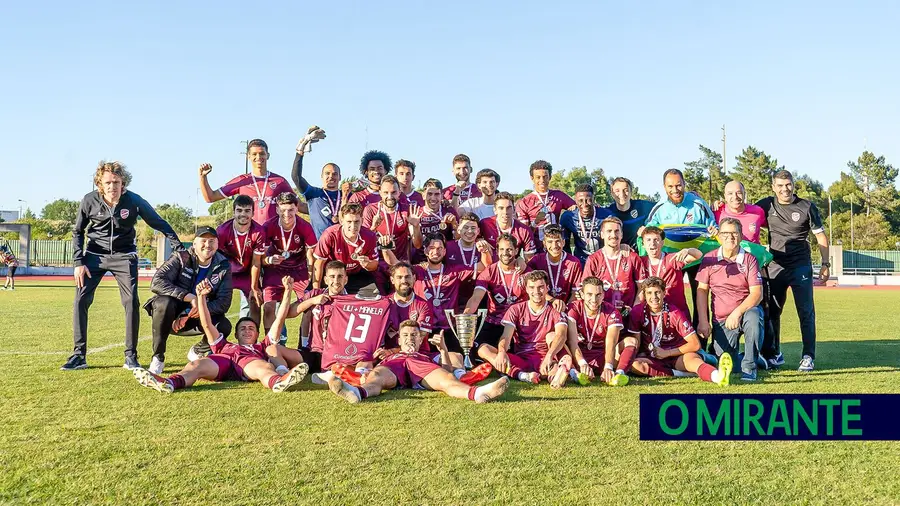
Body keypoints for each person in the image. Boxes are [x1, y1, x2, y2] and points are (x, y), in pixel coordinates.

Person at [63, 160, 184, 371]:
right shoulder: (89, 201)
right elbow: (77, 231)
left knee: (131, 302)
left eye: (116, 182)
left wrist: (178, 246)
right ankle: (78, 355)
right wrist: (78, 262)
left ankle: (131, 356)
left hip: (124, 256)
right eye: (108, 182)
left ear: (123, 183)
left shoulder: (134, 201)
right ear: (100, 184)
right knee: (80, 300)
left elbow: (158, 222)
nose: (112, 187)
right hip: (94, 256)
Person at [132, 277, 309, 394]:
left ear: (257, 335)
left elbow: (279, 319)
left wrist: (287, 291)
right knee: (196, 364)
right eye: (243, 328)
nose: (247, 330)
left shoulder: (262, 347)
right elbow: (207, 324)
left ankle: (278, 381)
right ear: (236, 334)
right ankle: (169, 383)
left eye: (250, 328)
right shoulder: (223, 345)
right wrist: (200, 297)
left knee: (263, 367)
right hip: (222, 361)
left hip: (248, 364)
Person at [327, 320, 509, 404]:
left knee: (446, 379)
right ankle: (357, 394)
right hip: (394, 365)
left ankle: (478, 394)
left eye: (414, 335)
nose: (409, 339)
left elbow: (448, 370)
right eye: (405, 335)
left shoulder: (425, 355)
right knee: (375, 378)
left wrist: (443, 349)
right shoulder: (390, 355)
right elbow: (366, 365)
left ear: (420, 338)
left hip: (420, 365)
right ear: (398, 340)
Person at [755, 170, 829, 372]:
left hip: (800, 266)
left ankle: (808, 356)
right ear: (773, 187)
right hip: (775, 266)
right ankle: (773, 354)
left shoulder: (806, 207)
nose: (784, 189)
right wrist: (720, 207)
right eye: (780, 185)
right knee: (772, 312)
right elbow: (743, 214)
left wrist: (825, 264)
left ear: (793, 185)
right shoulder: (766, 205)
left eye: (787, 184)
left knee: (805, 312)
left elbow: (821, 237)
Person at [143, 226, 233, 373]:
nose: (207, 245)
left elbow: (224, 303)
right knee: (164, 303)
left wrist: (192, 311)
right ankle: (158, 358)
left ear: (217, 244)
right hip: (171, 315)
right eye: (203, 241)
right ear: (194, 244)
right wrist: (189, 297)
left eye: (212, 241)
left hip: (195, 316)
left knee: (224, 326)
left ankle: (199, 350)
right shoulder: (180, 257)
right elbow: (157, 282)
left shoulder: (222, 265)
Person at [643, 169, 717, 325]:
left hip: (697, 259)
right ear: (664, 187)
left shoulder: (698, 204)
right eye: (670, 186)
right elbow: (648, 232)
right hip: (672, 260)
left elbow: (713, 227)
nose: (675, 190)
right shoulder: (660, 208)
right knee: (670, 295)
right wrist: (642, 231)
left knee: (701, 297)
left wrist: (713, 229)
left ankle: (701, 340)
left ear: (684, 184)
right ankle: (672, 334)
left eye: (678, 185)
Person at [626, 277, 732, 385]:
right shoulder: (637, 311)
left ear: (664, 293)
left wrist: (667, 353)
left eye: (657, 292)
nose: (654, 297)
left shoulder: (674, 312)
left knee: (692, 360)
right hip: (653, 357)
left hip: (677, 356)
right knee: (635, 365)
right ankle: (683, 374)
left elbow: (695, 344)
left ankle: (718, 376)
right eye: (649, 293)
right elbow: (637, 342)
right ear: (644, 295)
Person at [695, 218, 764, 381]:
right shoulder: (709, 259)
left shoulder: (749, 260)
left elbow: (757, 294)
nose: (730, 237)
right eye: (725, 233)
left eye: (734, 233)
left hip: (745, 314)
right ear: (719, 235)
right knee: (727, 364)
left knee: (754, 315)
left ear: (741, 236)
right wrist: (703, 321)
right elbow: (702, 290)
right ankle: (752, 357)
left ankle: (750, 367)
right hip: (721, 320)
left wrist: (737, 313)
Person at [476, 271, 572, 387]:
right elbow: (506, 336)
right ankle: (523, 375)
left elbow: (562, 335)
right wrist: (501, 352)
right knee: (483, 349)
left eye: (540, 287)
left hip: (546, 356)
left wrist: (549, 357)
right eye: (532, 287)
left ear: (547, 288)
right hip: (522, 357)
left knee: (552, 337)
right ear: (526, 289)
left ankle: (555, 375)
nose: (536, 292)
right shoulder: (515, 309)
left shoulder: (555, 309)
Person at [199, 139, 294, 225]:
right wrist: (203, 177)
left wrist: (309, 202)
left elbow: (299, 205)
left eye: (262, 153)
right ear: (248, 156)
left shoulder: (279, 181)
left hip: (273, 237)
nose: (258, 157)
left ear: (267, 155)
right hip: (250, 236)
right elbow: (210, 197)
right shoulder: (242, 181)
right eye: (254, 154)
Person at [259, 192, 317, 333]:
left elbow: (311, 256)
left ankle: (305, 345)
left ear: (297, 209)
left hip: (299, 269)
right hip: (275, 268)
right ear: (277, 209)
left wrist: (311, 278)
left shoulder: (305, 226)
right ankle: (270, 344)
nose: (287, 214)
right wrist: (269, 260)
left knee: (310, 306)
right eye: (283, 210)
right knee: (268, 307)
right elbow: (262, 259)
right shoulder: (268, 226)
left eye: (291, 210)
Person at [463, 234, 529, 351]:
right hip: (494, 321)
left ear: (516, 251)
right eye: (502, 249)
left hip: (519, 323)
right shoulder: (489, 271)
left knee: (517, 351)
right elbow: (476, 297)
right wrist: (466, 314)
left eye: (509, 249)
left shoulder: (525, 271)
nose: (505, 253)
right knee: (478, 350)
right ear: (497, 251)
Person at [410, 235, 473, 352]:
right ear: (425, 250)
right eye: (432, 248)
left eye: (439, 248)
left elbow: (483, 268)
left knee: (457, 360)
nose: (436, 252)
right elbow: (396, 267)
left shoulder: (455, 271)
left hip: (450, 328)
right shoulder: (416, 271)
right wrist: (386, 248)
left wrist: (484, 251)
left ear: (444, 251)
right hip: (424, 328)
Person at [564, 276, 631, 386]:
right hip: (579, 355)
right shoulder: (573, 308)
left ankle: (618, 374)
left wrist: (608, 366)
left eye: (598, 295)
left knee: (631, 341)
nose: (594, 300)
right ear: (582, 294)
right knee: (556, 339)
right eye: (590, 294)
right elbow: (572, 341)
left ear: (603, 295)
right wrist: (582, 363)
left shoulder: (612, 312)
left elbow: (611, 343)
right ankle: (574, 373)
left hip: (602, 355)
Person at [291, 126, 354, 239]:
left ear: (340, 177)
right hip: (320, 249)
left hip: (344, 247)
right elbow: (296, 177)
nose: (331, 177)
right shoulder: (314, 193)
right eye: (327, 173)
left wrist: (346, 195)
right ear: (321, 176)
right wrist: (300, 152)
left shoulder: (349, 195)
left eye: (335, 174)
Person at [215, 195, 265, 325]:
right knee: (217, 301)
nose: (243, 214)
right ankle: (214, 339)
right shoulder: (222, 231)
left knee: (255, 300)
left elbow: (256, 262)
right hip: (226, 272)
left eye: (247, 211)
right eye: (239, 210)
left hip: (247, 273)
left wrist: (254, 287)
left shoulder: (258, 231)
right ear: (234, 212)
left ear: (253, 213)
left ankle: (252, 342)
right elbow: (216, 260)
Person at [312, 203, 381, 294]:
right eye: (349, 222)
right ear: (341, 221)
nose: (353, 226)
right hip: (333, 275)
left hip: (356, 274)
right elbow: (319, 263)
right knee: (318, 300)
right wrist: (316, 291)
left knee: (373, 300)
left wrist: (367, 264)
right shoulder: (330, 235)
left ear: (362, 220)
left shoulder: (369, 236)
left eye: (356, 221)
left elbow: (374, 265)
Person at [582, 217, 642, 317]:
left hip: (628, 314)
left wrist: (634, 310)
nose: (613, 235)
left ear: (622, 234)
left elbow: (642, 288)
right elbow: (586, 290)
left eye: (617, 231)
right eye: (609, 231)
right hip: (602, 315)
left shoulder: (632, 257)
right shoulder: (593, 260)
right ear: (602, 234)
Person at [638, 226, 701, 317]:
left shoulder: (672, 259)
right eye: (648, 240)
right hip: (652, 315)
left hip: (676, 313)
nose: (652, 243)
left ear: (662, 243)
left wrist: (688, 250)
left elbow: (698, 255)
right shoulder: (640, 262)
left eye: (656, 239)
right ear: (643, 244)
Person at [515, 160, 575, 248]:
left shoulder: (559, 195)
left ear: (550, 177)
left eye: (545, 176)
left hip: (555, 247)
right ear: (532, 178)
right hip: (536, 249)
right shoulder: (524, 202)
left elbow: (577, 207)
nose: (542, 180)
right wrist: (536, 222)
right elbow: (524, 233)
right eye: (538, 177)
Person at [526, 225, 582, 301]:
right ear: (544, 244)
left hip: (565, 307)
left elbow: (575, 292)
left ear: (563, 242)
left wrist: (566, 309)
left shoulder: (574, 263)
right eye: (550, 242)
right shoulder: (536, 260)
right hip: (543, 307)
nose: (554, 246)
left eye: (557, 241)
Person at [363, 175, 412, 262]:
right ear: (380, 192)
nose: (389, 197)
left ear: (399, 193)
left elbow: (417, 244)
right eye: (386, 192)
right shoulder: (370, 210)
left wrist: (415, 227)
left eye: (393, 192)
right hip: (378, 262)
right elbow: (364, 243)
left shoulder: (406, 209)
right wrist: (373, 227)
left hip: (400, 262)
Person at [559, 183, 610, 263]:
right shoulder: (568, 217)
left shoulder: (606, 215)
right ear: (575, 200)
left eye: (588, 200)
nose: (584, 204)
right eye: (580, 200)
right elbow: (565, 245)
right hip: (581, 262)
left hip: (602, 261)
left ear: (594, 199)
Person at [479, 191, 537, 261]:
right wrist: (479, 240)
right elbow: (470, 239)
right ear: (495, 210)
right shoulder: (484, 224)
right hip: (489, 267)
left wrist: (521, 261)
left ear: (513, 209)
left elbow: (529, 259)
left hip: (513, 268)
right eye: (501, 208)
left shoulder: (524, 230)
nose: (505, 212)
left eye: (509, 208)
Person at [605, 177, 654, 248]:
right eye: (617, 191)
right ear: (612, 193)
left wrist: (648, 230)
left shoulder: (642, 206)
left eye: (626, 190)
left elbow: (662, 207)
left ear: (631, 192)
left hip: (640, 254)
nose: (622, 194)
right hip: (619, 253)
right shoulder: (607, 212)